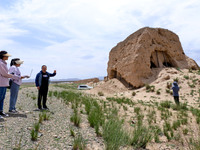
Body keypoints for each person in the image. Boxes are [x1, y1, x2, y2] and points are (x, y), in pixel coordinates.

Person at [0, 51, 21, 118]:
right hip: (1, 83)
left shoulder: (3, 63)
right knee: (0, 98)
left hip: (4, 83)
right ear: (2, 56)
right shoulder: (1, 63)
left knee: (2, 98)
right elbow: (4, 74)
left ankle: (1, 111)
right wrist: (12, 75)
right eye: (6, 55)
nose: (8, 57)